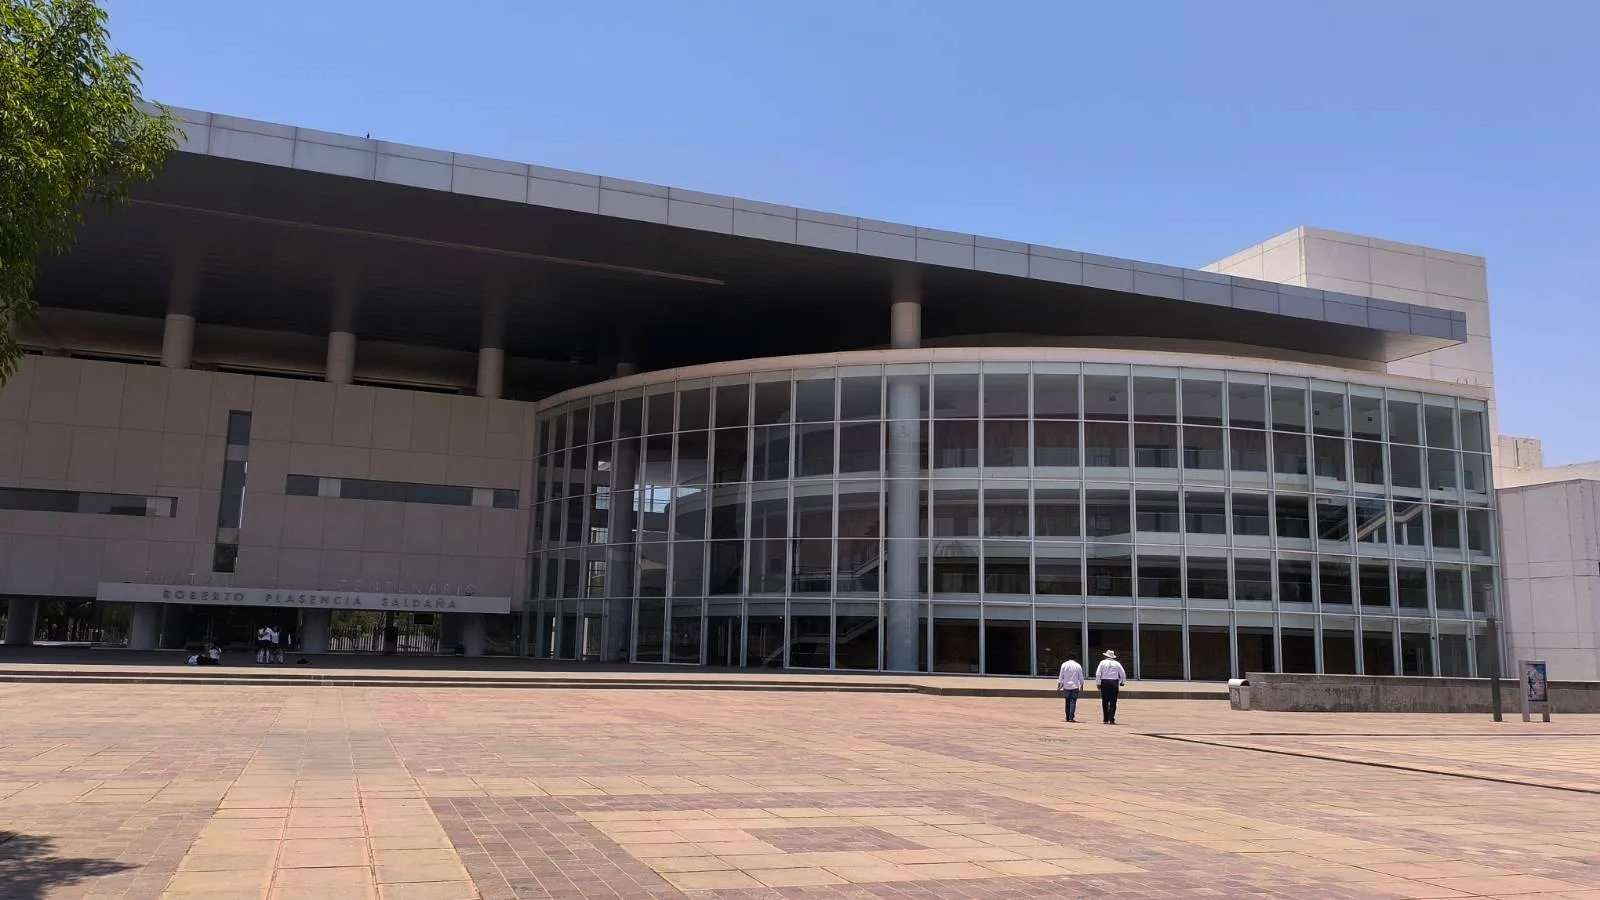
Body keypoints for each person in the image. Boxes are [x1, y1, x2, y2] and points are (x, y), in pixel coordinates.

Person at [1094, 649, 1128, 725]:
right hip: (1114, 683)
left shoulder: (1102, 663)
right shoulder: (1117, 663)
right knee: (1113, 702)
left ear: (1106, 655)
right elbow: (1123, 673)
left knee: (1105, 701)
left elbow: (1098, 673)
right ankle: (1111, 718)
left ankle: (1105, 718)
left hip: (1105, 682)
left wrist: (1098, 683)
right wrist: (1122, 682)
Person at [1057, 653, 1085, 723]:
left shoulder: (1064, 664)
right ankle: (1071, 717)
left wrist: (1059, 684)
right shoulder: (1078, 665)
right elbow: (1081, 677)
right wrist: (1082, 684)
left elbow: (1061, 675)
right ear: (1075, 658)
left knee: (1067, 701)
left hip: (1066, 686)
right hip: (1075, 686)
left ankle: (1067, 717)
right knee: (1073, 702)